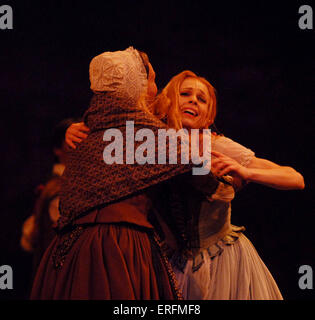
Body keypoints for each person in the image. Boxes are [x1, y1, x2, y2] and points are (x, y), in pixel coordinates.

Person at [66, 70, 304, 300]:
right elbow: (110, 135)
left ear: (209, 117)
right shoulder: (153, 141)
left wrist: (247, 171)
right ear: (169, 100)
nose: (193, 101)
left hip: (221, 261)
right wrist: (78, 129)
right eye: (185, 94)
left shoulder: (216, 144)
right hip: (170, 263)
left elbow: (295, 178)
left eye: (201, 99)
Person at [30, 48, 219, 300]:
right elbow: (205, 181)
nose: (154, 89)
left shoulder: (86, 133)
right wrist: (203, 156)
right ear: (135, 86)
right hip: (120, 247)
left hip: (68, 254)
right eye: (151, 81)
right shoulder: (151, 137)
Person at [21, 118, 77, 277]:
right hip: (60, 275)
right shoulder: (58, 189)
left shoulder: (66, 185)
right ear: (57, 149)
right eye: (72, 141)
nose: (80, 147)